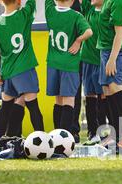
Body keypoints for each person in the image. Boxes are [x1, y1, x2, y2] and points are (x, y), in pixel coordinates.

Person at [0, 0, 44, 141]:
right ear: (19, 1)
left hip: (7, 71)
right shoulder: (24, 15)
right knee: (33, 107)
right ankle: (43, 141)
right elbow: (32, 3)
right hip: (24, 69)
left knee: (6, 107)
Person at [45, 0, 92, 135]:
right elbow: (89, 32)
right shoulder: (76, 15)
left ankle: (56, 134)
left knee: (58, 100)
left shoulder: (50, 11)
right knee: (69, 99)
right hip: (70, 64)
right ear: (72, 1)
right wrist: (78, 40)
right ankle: (64, 135)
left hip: (53, 63)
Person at [97, 0, 122, 150]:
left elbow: (120, 33)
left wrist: (112, 59)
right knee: (108, 90)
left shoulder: (119, 2)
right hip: (105, 50)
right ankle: (115, 134)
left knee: (115, 88)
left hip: (116, 52)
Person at [79, 0, 109, 146]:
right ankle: (92, 132)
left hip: (102, 59)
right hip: (87, 60)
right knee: (89, 94)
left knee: (103, 94)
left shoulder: (108, 11)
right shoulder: (88, 10)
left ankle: (103, 131)